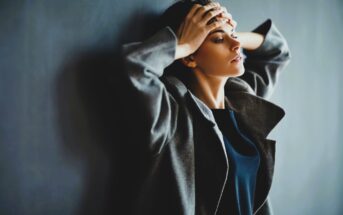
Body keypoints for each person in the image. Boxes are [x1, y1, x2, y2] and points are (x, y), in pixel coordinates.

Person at [120, 0, 291, 214]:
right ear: (189, 57)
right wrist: (183, 45)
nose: (236, 44)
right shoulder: (171, 114)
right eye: (219, 39)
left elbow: (277, 51)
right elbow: (136, 66)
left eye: (233, 35)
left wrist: (225, 27)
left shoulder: (243, 102)